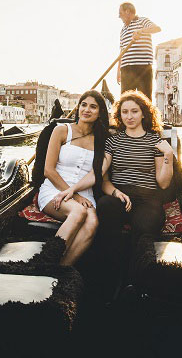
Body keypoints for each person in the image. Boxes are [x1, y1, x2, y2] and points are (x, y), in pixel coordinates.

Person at [94, 90, 174, 281]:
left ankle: (134, 279)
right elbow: (103, 179)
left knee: (144, 225)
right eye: (125, 112)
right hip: (119, 195)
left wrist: (168, 156)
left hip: (148, 198)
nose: (129, 116)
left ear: (144, 113)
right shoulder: (113, 141)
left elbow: (163, 184)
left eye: (134, 111)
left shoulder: (156, 141)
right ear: (119, 115)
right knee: (105, 207)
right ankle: (112, 276)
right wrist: (116, 193)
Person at [37, 90, 110, 266]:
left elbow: (103, 178)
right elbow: (48, 170)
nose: (87, 109)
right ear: (78, 108)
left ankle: (62, 269)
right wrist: (74, 195)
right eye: (84, 105)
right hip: (55, 190)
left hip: (86, 195)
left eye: (93, 107)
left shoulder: (102, 140)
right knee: (78, 212)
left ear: (100, 112)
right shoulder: (61, 130)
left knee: (92, 222)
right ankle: (47, 262)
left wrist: (117, 193)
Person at [116, 2, 160, 99]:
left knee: (145, 100)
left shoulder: (142, 21)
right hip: (126, 69)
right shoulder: (123, 30)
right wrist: (118, 70)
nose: (119, 16)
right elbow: (122, 51)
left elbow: (157, 28)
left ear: (127, 11)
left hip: (143, 67)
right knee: (125, 100)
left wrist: (141, 31)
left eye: (120, 13)